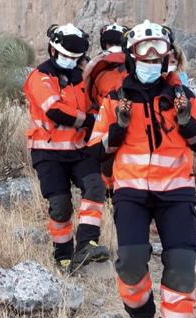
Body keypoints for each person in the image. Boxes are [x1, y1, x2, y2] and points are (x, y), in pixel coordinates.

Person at [87, 20, 196, 318]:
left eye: (158, 50)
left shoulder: (181, 97)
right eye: (144, 50)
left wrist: (186, 122)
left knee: (181, 266)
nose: (151, 57)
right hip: (130, 191)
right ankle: (141, 317)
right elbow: (96, 150)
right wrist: (119, 128)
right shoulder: (114, 101)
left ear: (167, 57)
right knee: (129, 262)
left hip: (175, 191)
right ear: (131, 57)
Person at [23, 23, 110, 273]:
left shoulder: (81, 78)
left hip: (79, 149)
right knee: (61, 205)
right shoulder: (39, 77)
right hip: (48, 152)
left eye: (75, 58)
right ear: (52, 51)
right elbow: (56, 111)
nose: (70, 61)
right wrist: (90, 120)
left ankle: (87, 243)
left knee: (95, 187)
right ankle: (63, 256)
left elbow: (97, 104)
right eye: (65, 56)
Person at [83, 23, 129, 197]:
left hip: (106, 116)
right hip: (133, 113)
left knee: (106, 161)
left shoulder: (96, 64)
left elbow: (88, 95)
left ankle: (110, 196)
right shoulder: (135, 58)